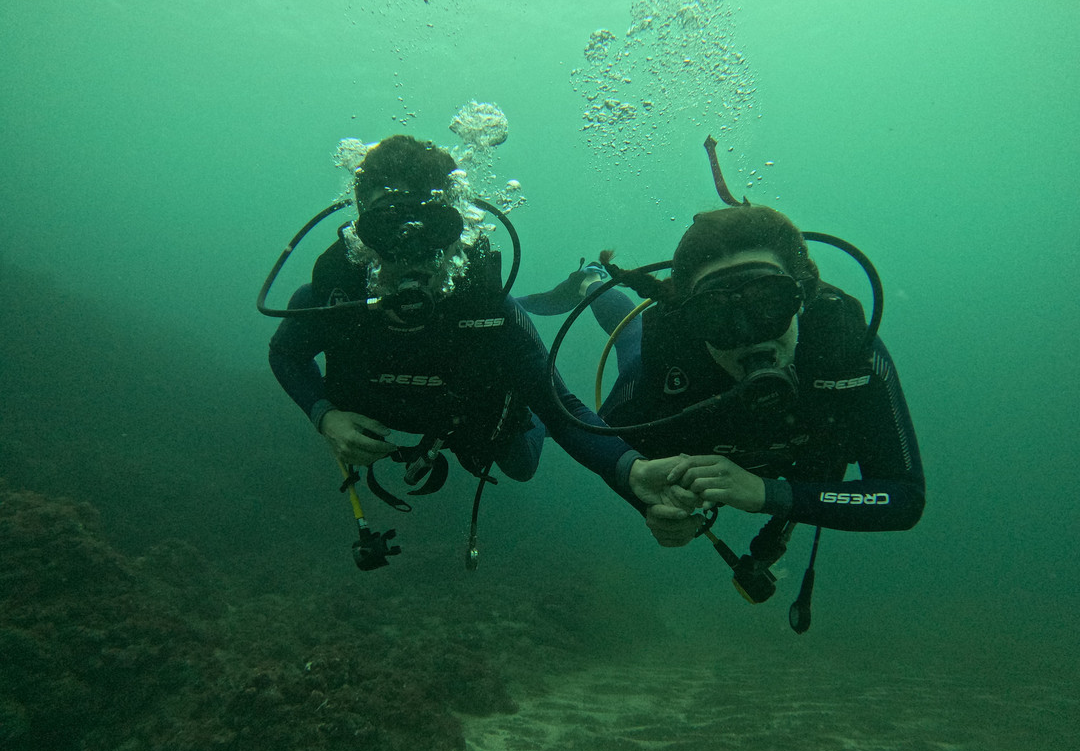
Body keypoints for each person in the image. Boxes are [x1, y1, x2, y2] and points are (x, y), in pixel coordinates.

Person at [267, 134, 688, 550]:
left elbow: (563, 411)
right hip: (417, 402)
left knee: (521, 465)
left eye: (434, 227)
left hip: (470, 415)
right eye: (387, 228)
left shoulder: (490, 314)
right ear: (361, 235)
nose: (413, 252)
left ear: (458, 233)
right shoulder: (330, 299)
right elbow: (285, 353)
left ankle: (585, 284)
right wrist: (324, 415)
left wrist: (633, 474)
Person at [521, 204, 925, 551]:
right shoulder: (667, 363)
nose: (750, 336)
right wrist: (650, 503)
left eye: (769, 303)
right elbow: (601, 439)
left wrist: (767, 494)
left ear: (801, 296)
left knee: (631, 336)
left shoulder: (845, 351)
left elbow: (904, 498)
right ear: (690, 319)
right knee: (631, 337)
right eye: (716, 314)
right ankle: (592, 280)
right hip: (656, 355)